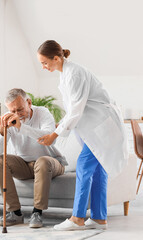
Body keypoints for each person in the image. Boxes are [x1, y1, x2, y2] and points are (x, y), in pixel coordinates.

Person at [37, 40, 128, 231]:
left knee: (84, 167)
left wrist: (55, 134)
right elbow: (73, 109)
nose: (43, 67)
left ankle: (77, 217)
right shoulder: (66, 73)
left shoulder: (74, 73)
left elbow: (76, 110)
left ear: (56, 58)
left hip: (101, 127)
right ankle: (99, 218)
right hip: (96, 128)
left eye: (45, 63)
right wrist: (59, 126)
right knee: (97, 171)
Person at [0, 88, 67, 228]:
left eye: (20, 109)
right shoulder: (9, 118)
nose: (17, 114)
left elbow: (48, 138)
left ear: (29, 102)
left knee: (42, 161)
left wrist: (21, 127)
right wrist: (1, 132)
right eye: (12, 111)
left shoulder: (43, 113)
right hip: (25, 165)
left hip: (51, 162)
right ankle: (15, 213)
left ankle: (37, 212)